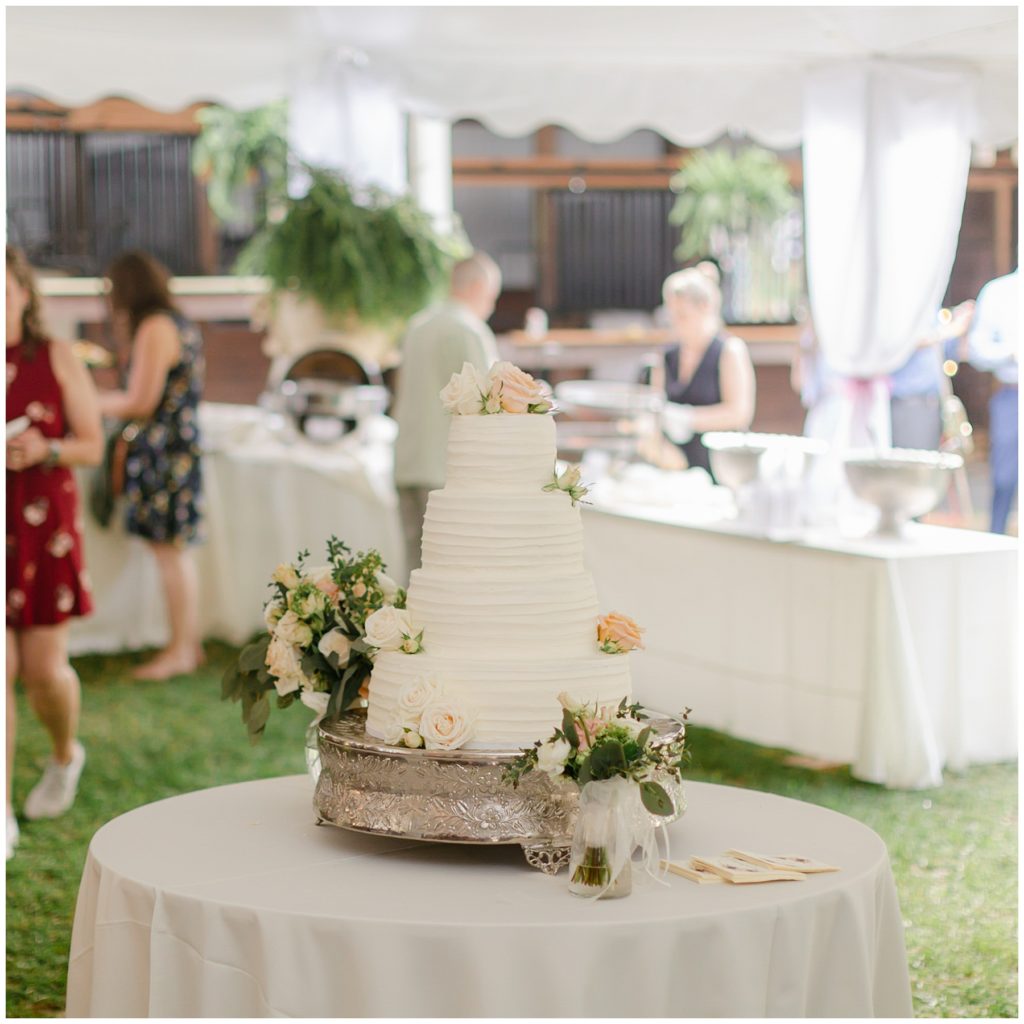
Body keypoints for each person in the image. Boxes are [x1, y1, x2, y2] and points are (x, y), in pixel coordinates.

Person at [6, 245, 103, 860]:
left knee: (43, 672)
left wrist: (45, 449)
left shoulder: (57, 356)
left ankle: (65, 755)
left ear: (22, 292)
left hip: (43, 529)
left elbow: (92, 446)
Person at [97, 251, 205, 678]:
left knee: (169, 553)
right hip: (176, 449)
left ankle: (180, 649)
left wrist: (86, 402)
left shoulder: (156, 326)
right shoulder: (177, 322)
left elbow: (140, 402)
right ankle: (186, 646)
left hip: (164, 453)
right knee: (173, 552)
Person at [391, 252, 501, 576]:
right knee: (451, 576)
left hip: (407, 463)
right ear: (479, 287)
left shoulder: (417, 325)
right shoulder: (469, 330)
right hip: (446, 472)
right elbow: (486, 403)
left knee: (415, 572)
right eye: (492, 297)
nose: (491, 306)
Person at [654, 268, 756, 478]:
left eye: (682, 315)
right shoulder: (666, 357)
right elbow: (653, 410)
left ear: (705, 307)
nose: (676, 323)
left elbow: (739, 413)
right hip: (676, 470)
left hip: (720, 468)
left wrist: (688, 419)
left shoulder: (729, 351)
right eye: (672, 316)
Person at [967, 269, 1019, 534]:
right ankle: (996, 543)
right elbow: (976, 348)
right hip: (1013, 393)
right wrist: (1009, 352)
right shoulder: (1000, 292)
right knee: (1004, 478)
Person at [889, 301, 974, 450]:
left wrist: (958, 322)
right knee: (914, 466)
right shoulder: (903, 300)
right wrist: (949, 330)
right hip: (909, 401)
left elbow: (955, 352)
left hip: (931, 401)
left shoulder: (929, 304)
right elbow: (901, 340)